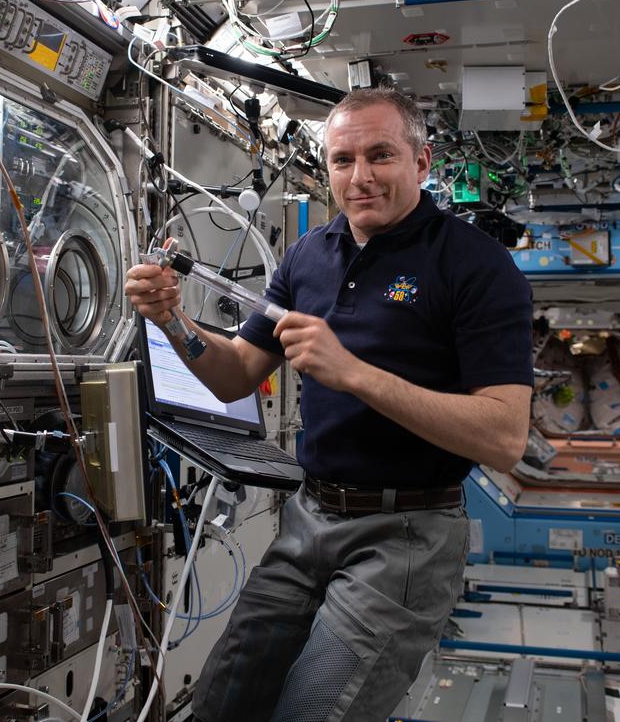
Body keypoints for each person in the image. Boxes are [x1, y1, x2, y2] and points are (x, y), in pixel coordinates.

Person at [124, 86, 533, 722]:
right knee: (219, 705)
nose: (360, 177)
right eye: (342, 161)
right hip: (309, 518)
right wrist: (172, 321)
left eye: (381, 156)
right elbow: (234, 375)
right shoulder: (309, 255)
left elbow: (505, 436)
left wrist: (355, 374)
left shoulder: (475, 265)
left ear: (422, 163)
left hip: (406, 536)